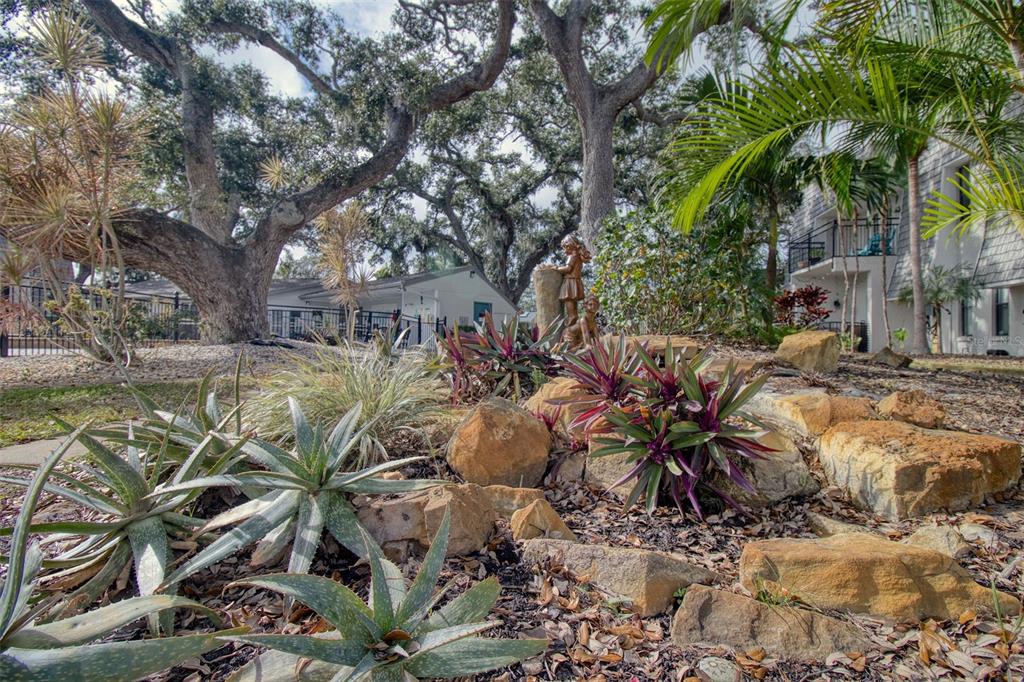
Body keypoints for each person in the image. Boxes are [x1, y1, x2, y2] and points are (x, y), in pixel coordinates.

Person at [554, 234, 590, 327]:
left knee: (569, 299)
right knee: (573, 302)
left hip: (570, 282)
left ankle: (571, 317)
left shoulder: (572, 256)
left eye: (564, 248)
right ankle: (574, 317)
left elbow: (568, 269)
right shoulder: (577, 256)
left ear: (569, 246)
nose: (563, 251)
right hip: (575, 281)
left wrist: (556, 268)